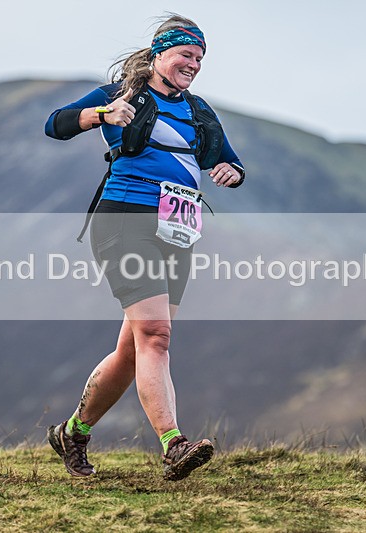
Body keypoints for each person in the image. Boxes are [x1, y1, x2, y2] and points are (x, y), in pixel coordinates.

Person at [44, 14, 245, 481]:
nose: (193, 64)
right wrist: (101, 115)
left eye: (200, 58)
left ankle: (72, 433)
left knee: (135, 348)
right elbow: (54, 124)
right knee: (156, 335)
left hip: (178, 228)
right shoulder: (120, 94)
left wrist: (232, 173)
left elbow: (228, 161)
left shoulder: (198, 112)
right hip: (124, 220)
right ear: (160, 53)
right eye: (185, 54)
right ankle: (174, 446)